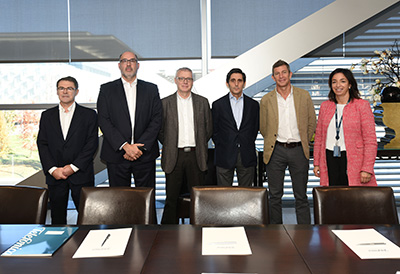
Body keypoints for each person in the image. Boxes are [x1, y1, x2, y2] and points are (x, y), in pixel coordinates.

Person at [260, 60, 316, 224]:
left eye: (284, 72)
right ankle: (275, 232)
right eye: (277, 73)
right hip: (276, 151)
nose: (281, 76)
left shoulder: (303, 95)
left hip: (299, 150)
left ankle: (304, 233)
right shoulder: (266, 100)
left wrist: (304, 140)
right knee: (275, 195)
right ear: (273, 77)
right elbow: (263, 127)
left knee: (301, 195)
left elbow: (312, 122)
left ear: (290, 74)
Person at [37, 76, 98, 224]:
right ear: (57, 91)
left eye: (69, 88)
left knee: (88, 219)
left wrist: (73, 167)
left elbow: (91, 144)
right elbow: (42, 143)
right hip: (55, 176)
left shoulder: (89, 115)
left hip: (81, 174)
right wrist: (52, 169)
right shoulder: (47, 115)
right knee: (57, 220)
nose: (65, 91)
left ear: (76, 91)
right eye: (61, 88)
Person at [97, 51, 162, 188]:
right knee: (119, 201)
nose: (128, 64)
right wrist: (125, 146)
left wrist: (139, 148)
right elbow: (104, 120)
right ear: (119, 65)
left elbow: (156, 119)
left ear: (138, 65)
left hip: (144, 155)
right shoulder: (106, 90)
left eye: (132, 61)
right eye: (124, 61)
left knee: (146, 201)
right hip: (116, 155)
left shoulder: (151, 89)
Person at [159, 67, 212, 224]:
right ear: (175, 80)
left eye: (188, 79)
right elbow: (160, 131)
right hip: (174, 156)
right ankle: (168, 235)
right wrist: (169, 145)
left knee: (198, 198)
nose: (185, 82)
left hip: (197, 156)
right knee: (171, 199)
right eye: (181, 78)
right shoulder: (164, 103)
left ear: (192, 81)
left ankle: (200, 232)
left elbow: (208, 130)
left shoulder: (202, 102)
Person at [313, 68, 377, 186]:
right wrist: (316, 162)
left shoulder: (362, 106)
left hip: (353, 159)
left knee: (354, 199)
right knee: (332, 198)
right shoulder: (325, 106)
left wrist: (367, 168)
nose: (338, 85)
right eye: (334, 82)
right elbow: (319, 137)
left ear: (350, 84)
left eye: (342, 81)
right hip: (329, 158)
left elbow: (370, 140)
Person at [212, 68, 259, 186]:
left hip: (246, 155)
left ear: (244, 83)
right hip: (224, 155)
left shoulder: (253, 105)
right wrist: (223, 144)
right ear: (227, 84)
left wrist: (245, 142)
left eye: (240, 80)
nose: (236, 84)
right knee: (223, 197)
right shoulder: (218, 105)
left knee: (246, 196)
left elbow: (254, 129)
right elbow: (214, 130)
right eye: (233, 80)